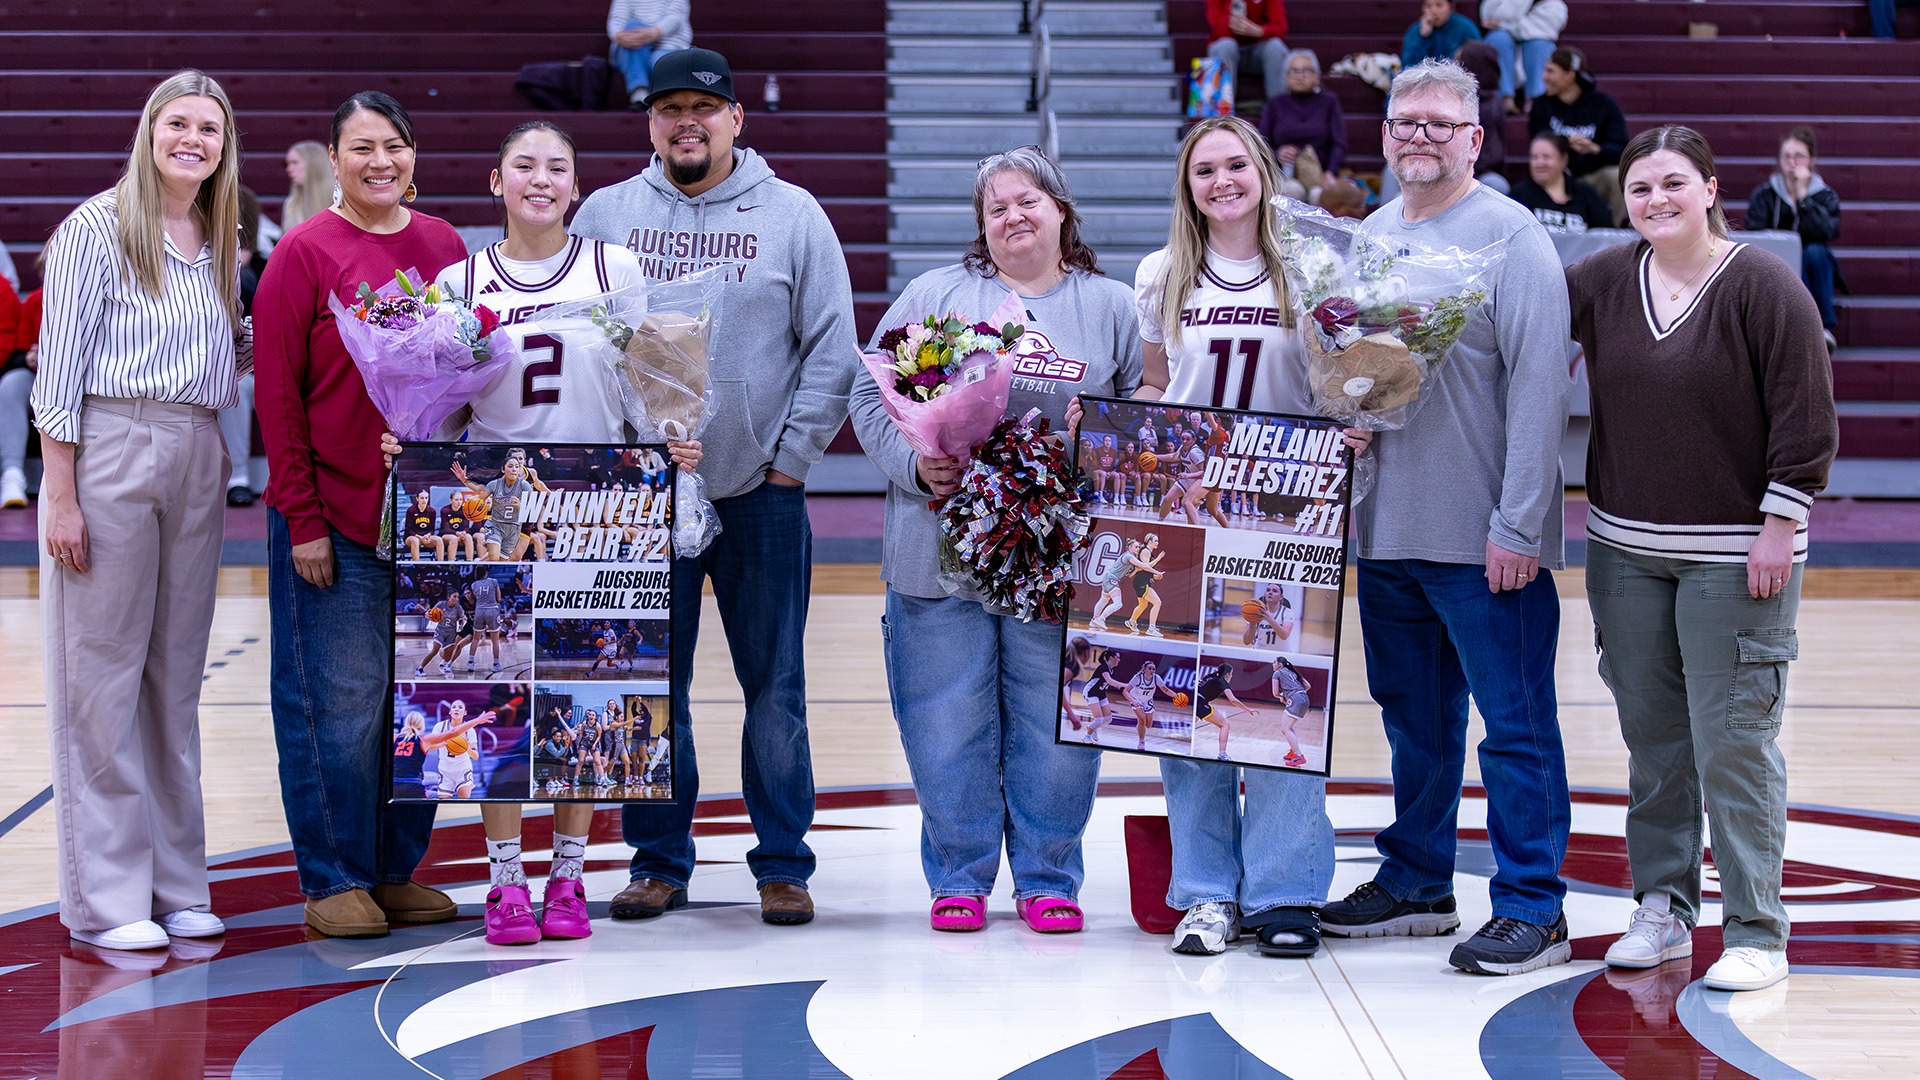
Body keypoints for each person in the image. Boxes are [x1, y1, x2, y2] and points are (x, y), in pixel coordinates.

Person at [570, 48, 859, 927]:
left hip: (756, 493)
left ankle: (781, 863)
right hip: (642, 499)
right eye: (668, 108)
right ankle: (659, 861)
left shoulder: (793, 215)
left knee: (775, 685)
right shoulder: (606, 214)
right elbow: (576, 339)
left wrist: (790, 462)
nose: (685, 121)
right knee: (651, 684)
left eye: (704, 105)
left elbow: (834, 346)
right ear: (649, 122)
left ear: (737, 118)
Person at [1317, 60, 1575, 978]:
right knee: (1413, 724)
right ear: (1384, 136)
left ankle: (1536, 908)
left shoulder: (1515, 239)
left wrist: (1519, 524)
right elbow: (1369, 373)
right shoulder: (1371, 235)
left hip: (1483, 539)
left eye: (1439, 123)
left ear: (1474, 137)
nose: (1418, 136)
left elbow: (1543, 387)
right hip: (1387, 531)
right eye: (1403, 122)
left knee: (1514, 726)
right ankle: (1420, 882)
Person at [1567, 125, 1838, 992]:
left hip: (1739, 552)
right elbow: (1511, 330)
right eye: (1641, 189)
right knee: (1653, 743)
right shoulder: (1605, 279)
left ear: (1712, 188)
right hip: (1624, 549)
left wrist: (1778, 524)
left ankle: (1758, 927)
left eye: (1674, 184)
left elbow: (1806, 413)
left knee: (1735, 743)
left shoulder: (1761, 282)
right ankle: (1664, 907)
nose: (1657, 201)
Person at [850, 145, 1141, 935]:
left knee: (1054, 722)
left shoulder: (1112, 307)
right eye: (996, 207)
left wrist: (1101, 439)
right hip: (935, 548)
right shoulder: (935, 293)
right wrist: (918, 463)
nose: (1014, 216)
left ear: (1061, 210)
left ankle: (1050, 876)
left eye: (1029, 201)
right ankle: (959, 874)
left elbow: (1148, 417)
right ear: (982, 226)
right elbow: (869, 394)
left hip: (1062, 559)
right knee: (945, 717)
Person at [1123, 115, 1363, 958]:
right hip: (1188, 516)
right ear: (1186, 188)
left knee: (1281, 698)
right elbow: (1156, 384)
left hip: (1289, 508)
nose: (1221, 181)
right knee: (1190, 713)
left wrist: (1353, 425)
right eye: (1203, 172)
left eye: (1234, 165)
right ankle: (1204, 895)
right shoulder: (1160, 275)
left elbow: (1346, 380)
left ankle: (1286, 894)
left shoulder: (1312, 268)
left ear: (1263, 170)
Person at [32, 70, 246, 953]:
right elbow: (58, 366)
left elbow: (227, 355)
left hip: (200, 447)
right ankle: (107, 897)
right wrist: (61, 490)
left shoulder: (218, 235)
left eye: (210, 127)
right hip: (113, 439)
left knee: (175, 679)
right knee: (102, 678)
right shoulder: (95, 227)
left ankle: (175, 883)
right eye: (179, 123)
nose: (194, 139)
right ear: (149, 131)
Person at [254, 91, 469, 939]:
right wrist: (302, 519)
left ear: (414, 155)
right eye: (361, 148)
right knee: (336, 705)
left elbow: (467, 374)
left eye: (395, 146)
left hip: (428, 523)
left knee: (416, 704)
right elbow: (277, 399)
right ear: (335, 161)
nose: (380, 161)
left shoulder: (445, 245)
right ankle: (332, 875)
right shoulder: (304, 255)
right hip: (335, 518)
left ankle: (392, 868)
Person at [1746, 127, 1843, 350]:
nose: (1792, 162)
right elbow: (1755, 232)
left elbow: (1827, 231)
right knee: (1782, 259)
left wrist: (1802, 196)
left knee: (1815, 252)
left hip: (1812, 261)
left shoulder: (1825, 194)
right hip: (1778, 258)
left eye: (1799, 156)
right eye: (1786, 156)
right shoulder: (1765, 194)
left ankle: (1820, 326)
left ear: (1811, 160)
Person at [1529, 47, 1630, 224]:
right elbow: (1537, 140)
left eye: (1551, 71)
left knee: (1617, 176)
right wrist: (1563, 143)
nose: (1544, 77)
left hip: (1593, 174)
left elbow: (1621, 146)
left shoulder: (1602, 104)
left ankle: (1612, 234)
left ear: (1570, 75)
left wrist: (1596, 149)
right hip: (1556, 175)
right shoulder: (1541, 105)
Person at [1258, 50, 1344, 194]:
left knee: (1318, 193)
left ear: (1317, 77)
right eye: (1295, 71)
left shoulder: (1328, 102)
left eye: (1307, 71)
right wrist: (1277, 153)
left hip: (1319, 173)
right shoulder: (1275, 105)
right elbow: (1261, 143)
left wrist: (1330, 172)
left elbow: (1339, 144)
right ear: (1286, 78)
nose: (1300, 76)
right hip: (1285, 174)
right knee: (1291, 190)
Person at [1509, 134, 1613, 232]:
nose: (1539, 163)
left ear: (1564, 160)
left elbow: (1605, 236)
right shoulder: (1518, 196)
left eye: (1546, 157)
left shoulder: (1586, 194)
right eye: (1534, 157)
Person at [1478, 0, 1566, 114]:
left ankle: (1535, 100)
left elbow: (1546, 30)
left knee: (1540, 43)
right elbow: (1489, 17)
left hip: (1534, 52)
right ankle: (1504, 99)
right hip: (1506, 49)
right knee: (1498, 38)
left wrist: (1505, 26)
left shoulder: (1556, 5)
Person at [607, 0, 692, 109]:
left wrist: (653, 34)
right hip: (629, 51)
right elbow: (616, 20)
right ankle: (639, 93)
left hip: (667, 47)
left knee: (659, 61)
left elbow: (674, 18)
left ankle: (665, 102)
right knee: (633, 26)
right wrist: (620, 36)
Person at [0, 277, 37, 508]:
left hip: (88, 378)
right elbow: (17, 352)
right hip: (36, 377)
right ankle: (12, 474)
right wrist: (29, 358)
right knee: (12, 383)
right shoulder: (35, 301)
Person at [1206, 0, 1290, 101]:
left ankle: (1279, 110)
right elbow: (1219, 32)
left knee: (1275, 47)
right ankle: (1223, 111)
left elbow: (1280, 27)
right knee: (1225, 45)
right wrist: (1234, 6)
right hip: (1228, 52)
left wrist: (1260, 31)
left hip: (1258, 52)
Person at [1455, 41, 1509, 194]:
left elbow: (1492, 155)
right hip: (1442, 169)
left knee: (1495, 183)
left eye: (1459, 62)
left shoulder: (1491, 106)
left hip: (1474, 173)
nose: (1453, 66)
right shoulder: (1448, 99)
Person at [1401, 0, 1481, 70]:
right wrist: (1423, 37)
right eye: (1428, 6)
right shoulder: (1415, 31)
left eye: (1439, 5)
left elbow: (1478, 59)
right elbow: (1408, 66)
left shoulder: (1466, 28)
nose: (1434, 11)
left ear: (1450, 7)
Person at [280, 140, 333, 234]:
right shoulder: (291, 204)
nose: (289, 169)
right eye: (287, 164)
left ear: (314, 164)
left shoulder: (340, 200)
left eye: (295, 163)